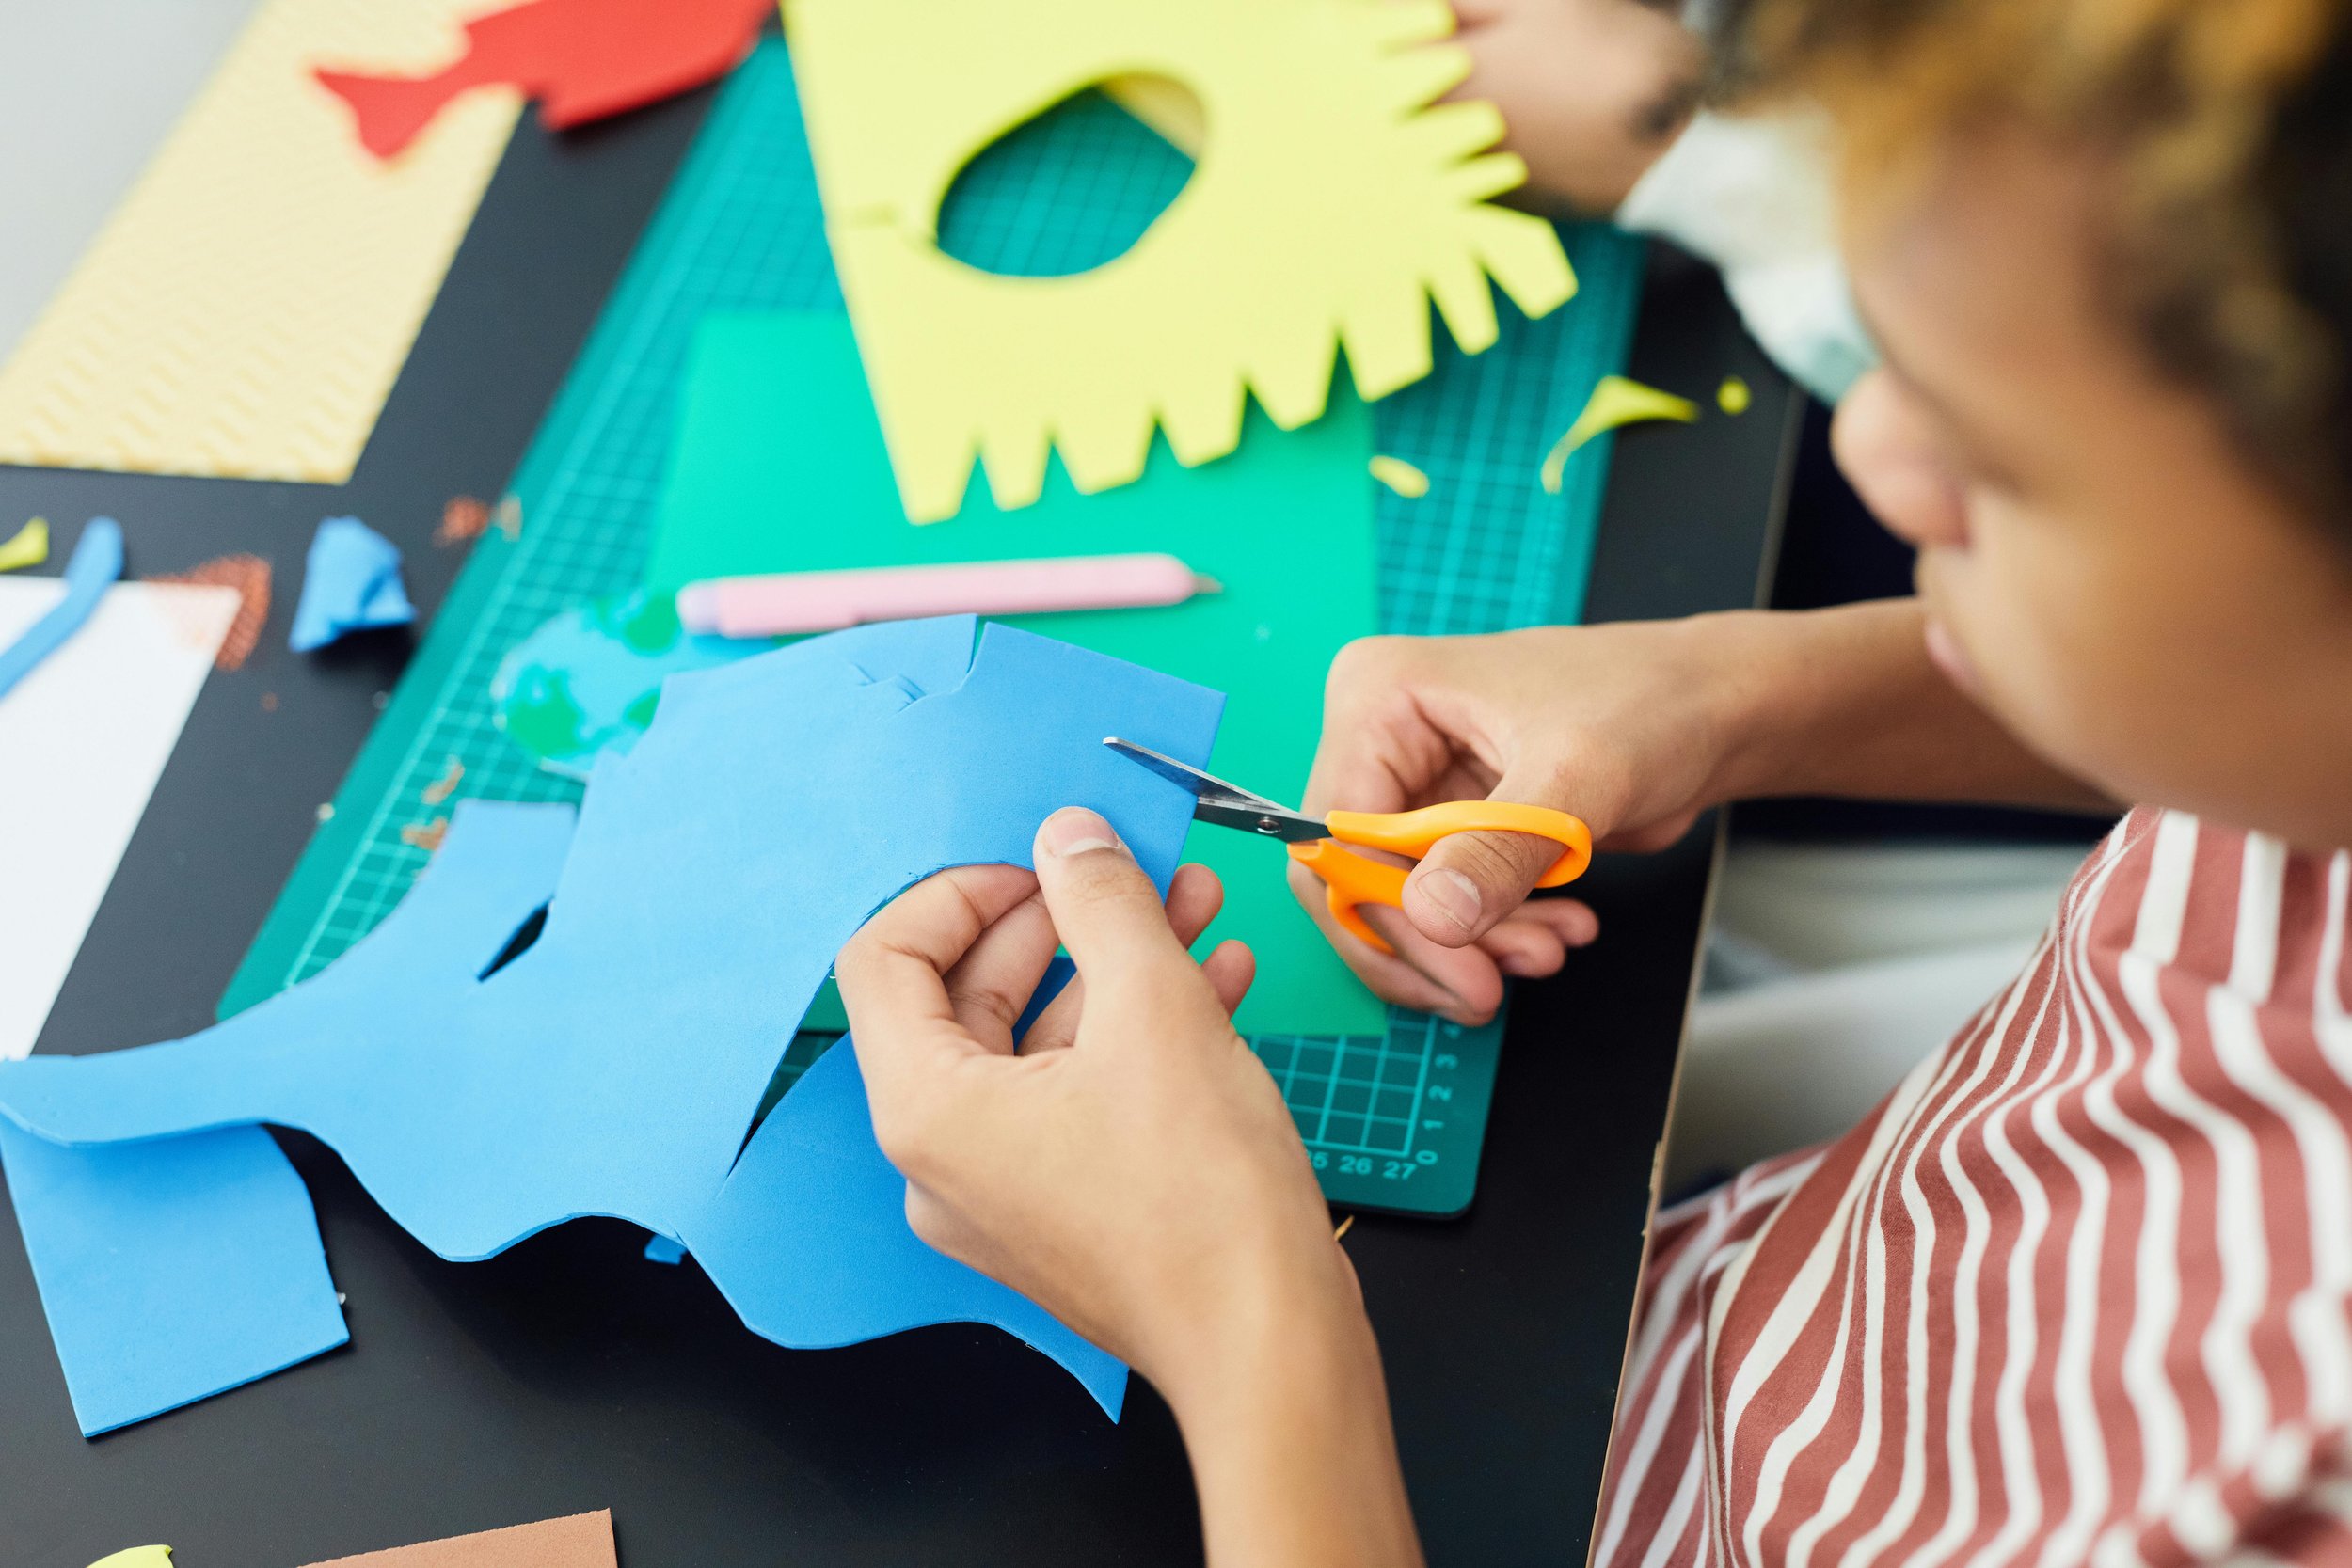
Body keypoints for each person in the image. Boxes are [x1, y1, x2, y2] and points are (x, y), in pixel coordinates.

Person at [834, 0, 2352, 1560]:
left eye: (2001, 464)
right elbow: (2241, 717)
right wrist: (1731, 695)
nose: (1874, 456)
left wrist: (1245, 1329)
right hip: (1746, 1299)